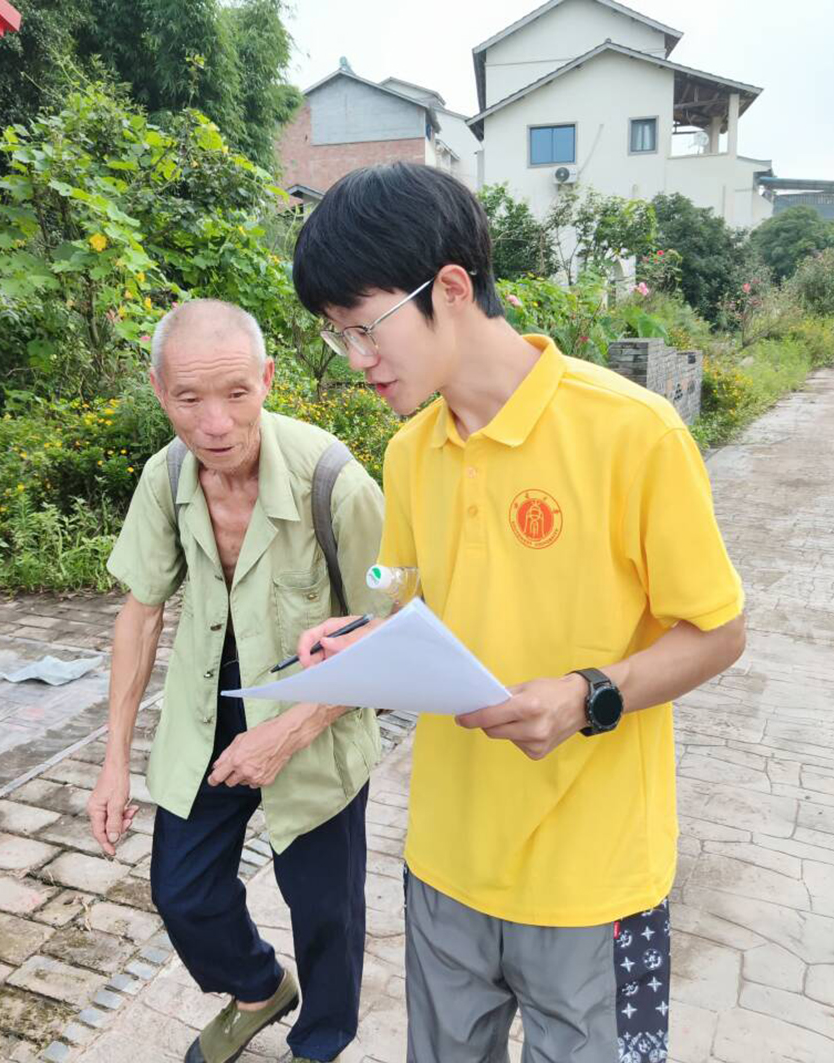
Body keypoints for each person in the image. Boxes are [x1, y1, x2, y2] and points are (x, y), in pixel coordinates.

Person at [290, 163, 748, 1063]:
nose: (355, 359)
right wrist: (362, 636)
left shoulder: (632, 432)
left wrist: (587, 695)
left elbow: (719, 632)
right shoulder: (409, 452)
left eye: (365, 327)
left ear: (450, 288)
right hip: (447, 862)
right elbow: (412, 599)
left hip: (594, 880)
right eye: (336, 335)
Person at [87, 299, 387, 1063]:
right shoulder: (165, 475)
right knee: (182, 890)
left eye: (236, 393)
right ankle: (259, 986)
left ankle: (319, 1042)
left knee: (324, 907)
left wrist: (287, 731)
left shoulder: (336, 484)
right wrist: (114, 761)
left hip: (315, 714)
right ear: (159, 390)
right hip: (209, 705)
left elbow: (389, 634)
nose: (214, 423)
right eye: (188, 398)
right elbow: (140, 613)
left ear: (268, 379)